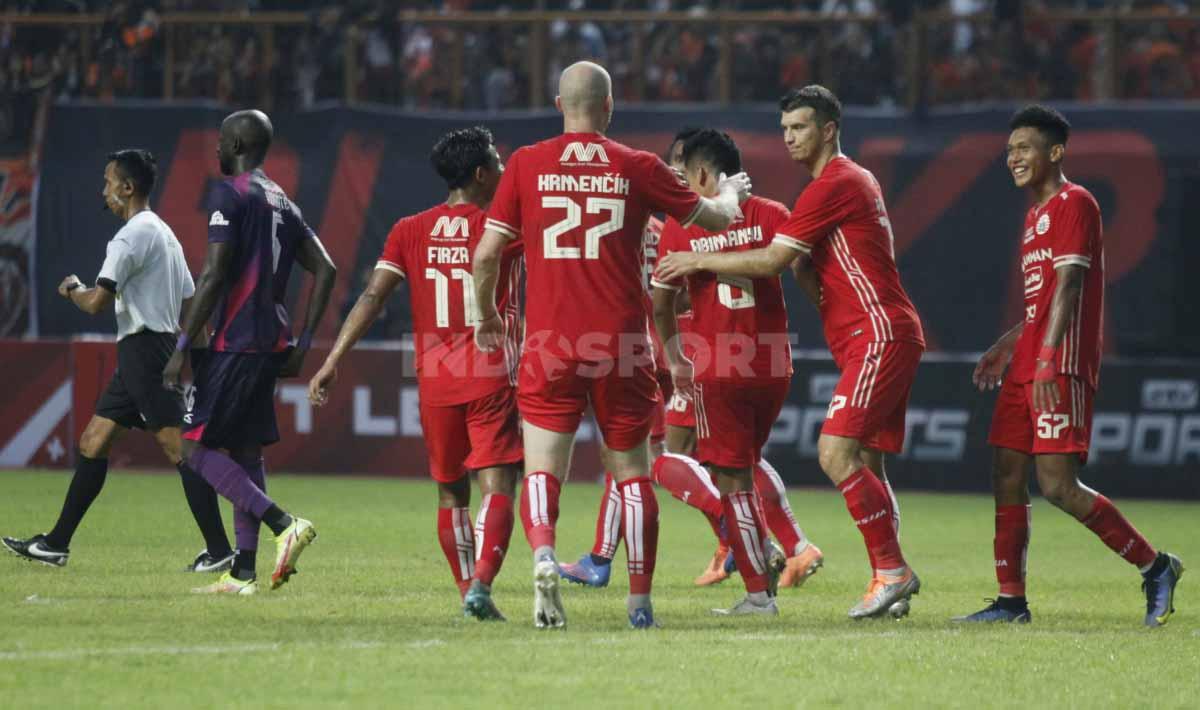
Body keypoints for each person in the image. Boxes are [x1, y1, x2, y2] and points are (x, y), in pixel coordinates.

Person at [472, 60, 750, 629]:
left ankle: (544, 556)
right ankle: (639, 605)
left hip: (550, 343)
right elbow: (718, 220)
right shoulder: (638, 165)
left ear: (558, 105)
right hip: (622, 345)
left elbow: (486, 256)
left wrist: (486, 316)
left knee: (542, 469)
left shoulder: (525, 164)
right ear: (609, 106)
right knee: (632, 473)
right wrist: (730, 191)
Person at [658, 85, 921, 620]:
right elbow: (799, 264)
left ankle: (880, 573)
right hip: (800, 354)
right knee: (868, 463)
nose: (790, 138)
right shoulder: (794, 203)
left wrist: (696, 265)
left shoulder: (832, 183)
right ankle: (885, 575)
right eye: (784, 129)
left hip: (867, 333)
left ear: (829, 129)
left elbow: (773, 261)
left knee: (825, 456)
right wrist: (824, 300)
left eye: (799, 127)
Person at [954, 105, 1183, 627]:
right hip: (1029, 360)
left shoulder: (1076, 202)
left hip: (1060, 363)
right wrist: (1009, 344)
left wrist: (1048, 358)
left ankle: (1155, 566)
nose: (1013, 158)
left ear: (1055, 152)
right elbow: (1043, 301)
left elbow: (1071, 286)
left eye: (1024, 148)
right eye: (1009, 150)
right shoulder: (1033, 216)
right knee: (1006, 473)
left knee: (1057, 485)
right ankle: (1011, 603)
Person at [308, 126, 523, 621]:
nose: (503, 169)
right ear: (481, 174)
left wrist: (333, 359)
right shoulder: (504, 228)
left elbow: (372, 296)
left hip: (435, 380)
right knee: (498, 486)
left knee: (451, 491)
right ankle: (482, 585)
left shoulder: (409, 229)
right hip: (490, 373)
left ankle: (466, 589)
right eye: (497, 162)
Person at [3, 149, 233, 573]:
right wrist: (203, 366)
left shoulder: (129, 237)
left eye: (108, 182)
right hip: (146, 351)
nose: (103, 191)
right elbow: (192, 308)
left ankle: (221, 550)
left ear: (127, 188)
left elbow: (96, 302)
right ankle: (55, 544)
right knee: (94, 441)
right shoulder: (165, 234)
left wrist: (73, 289)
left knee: (180, 450)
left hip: (145, 353)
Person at [163, 109, 337, 595]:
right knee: (244, 452)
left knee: (192, 448)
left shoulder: (231, 194)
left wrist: (181, 347)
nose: (217, 148)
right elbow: (326, 269)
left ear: (238, 145)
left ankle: (285, 524)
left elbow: (214, 273)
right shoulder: (285, 202)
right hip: (270, 343)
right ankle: (242, 572)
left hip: (236, 342)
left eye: (222, 140)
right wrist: (303, 344)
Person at [652, 128, 819, 615]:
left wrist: (676, 358)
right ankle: (784, 552)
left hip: (721, 366)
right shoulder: (773, 214)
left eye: (686, 176)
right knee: (747, 463)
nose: (683, 187)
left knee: (732, 483)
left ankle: (758, 594)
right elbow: (806, 269)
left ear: (703, 174)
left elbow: (661, 303)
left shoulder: (683, 226)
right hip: (773, 365)